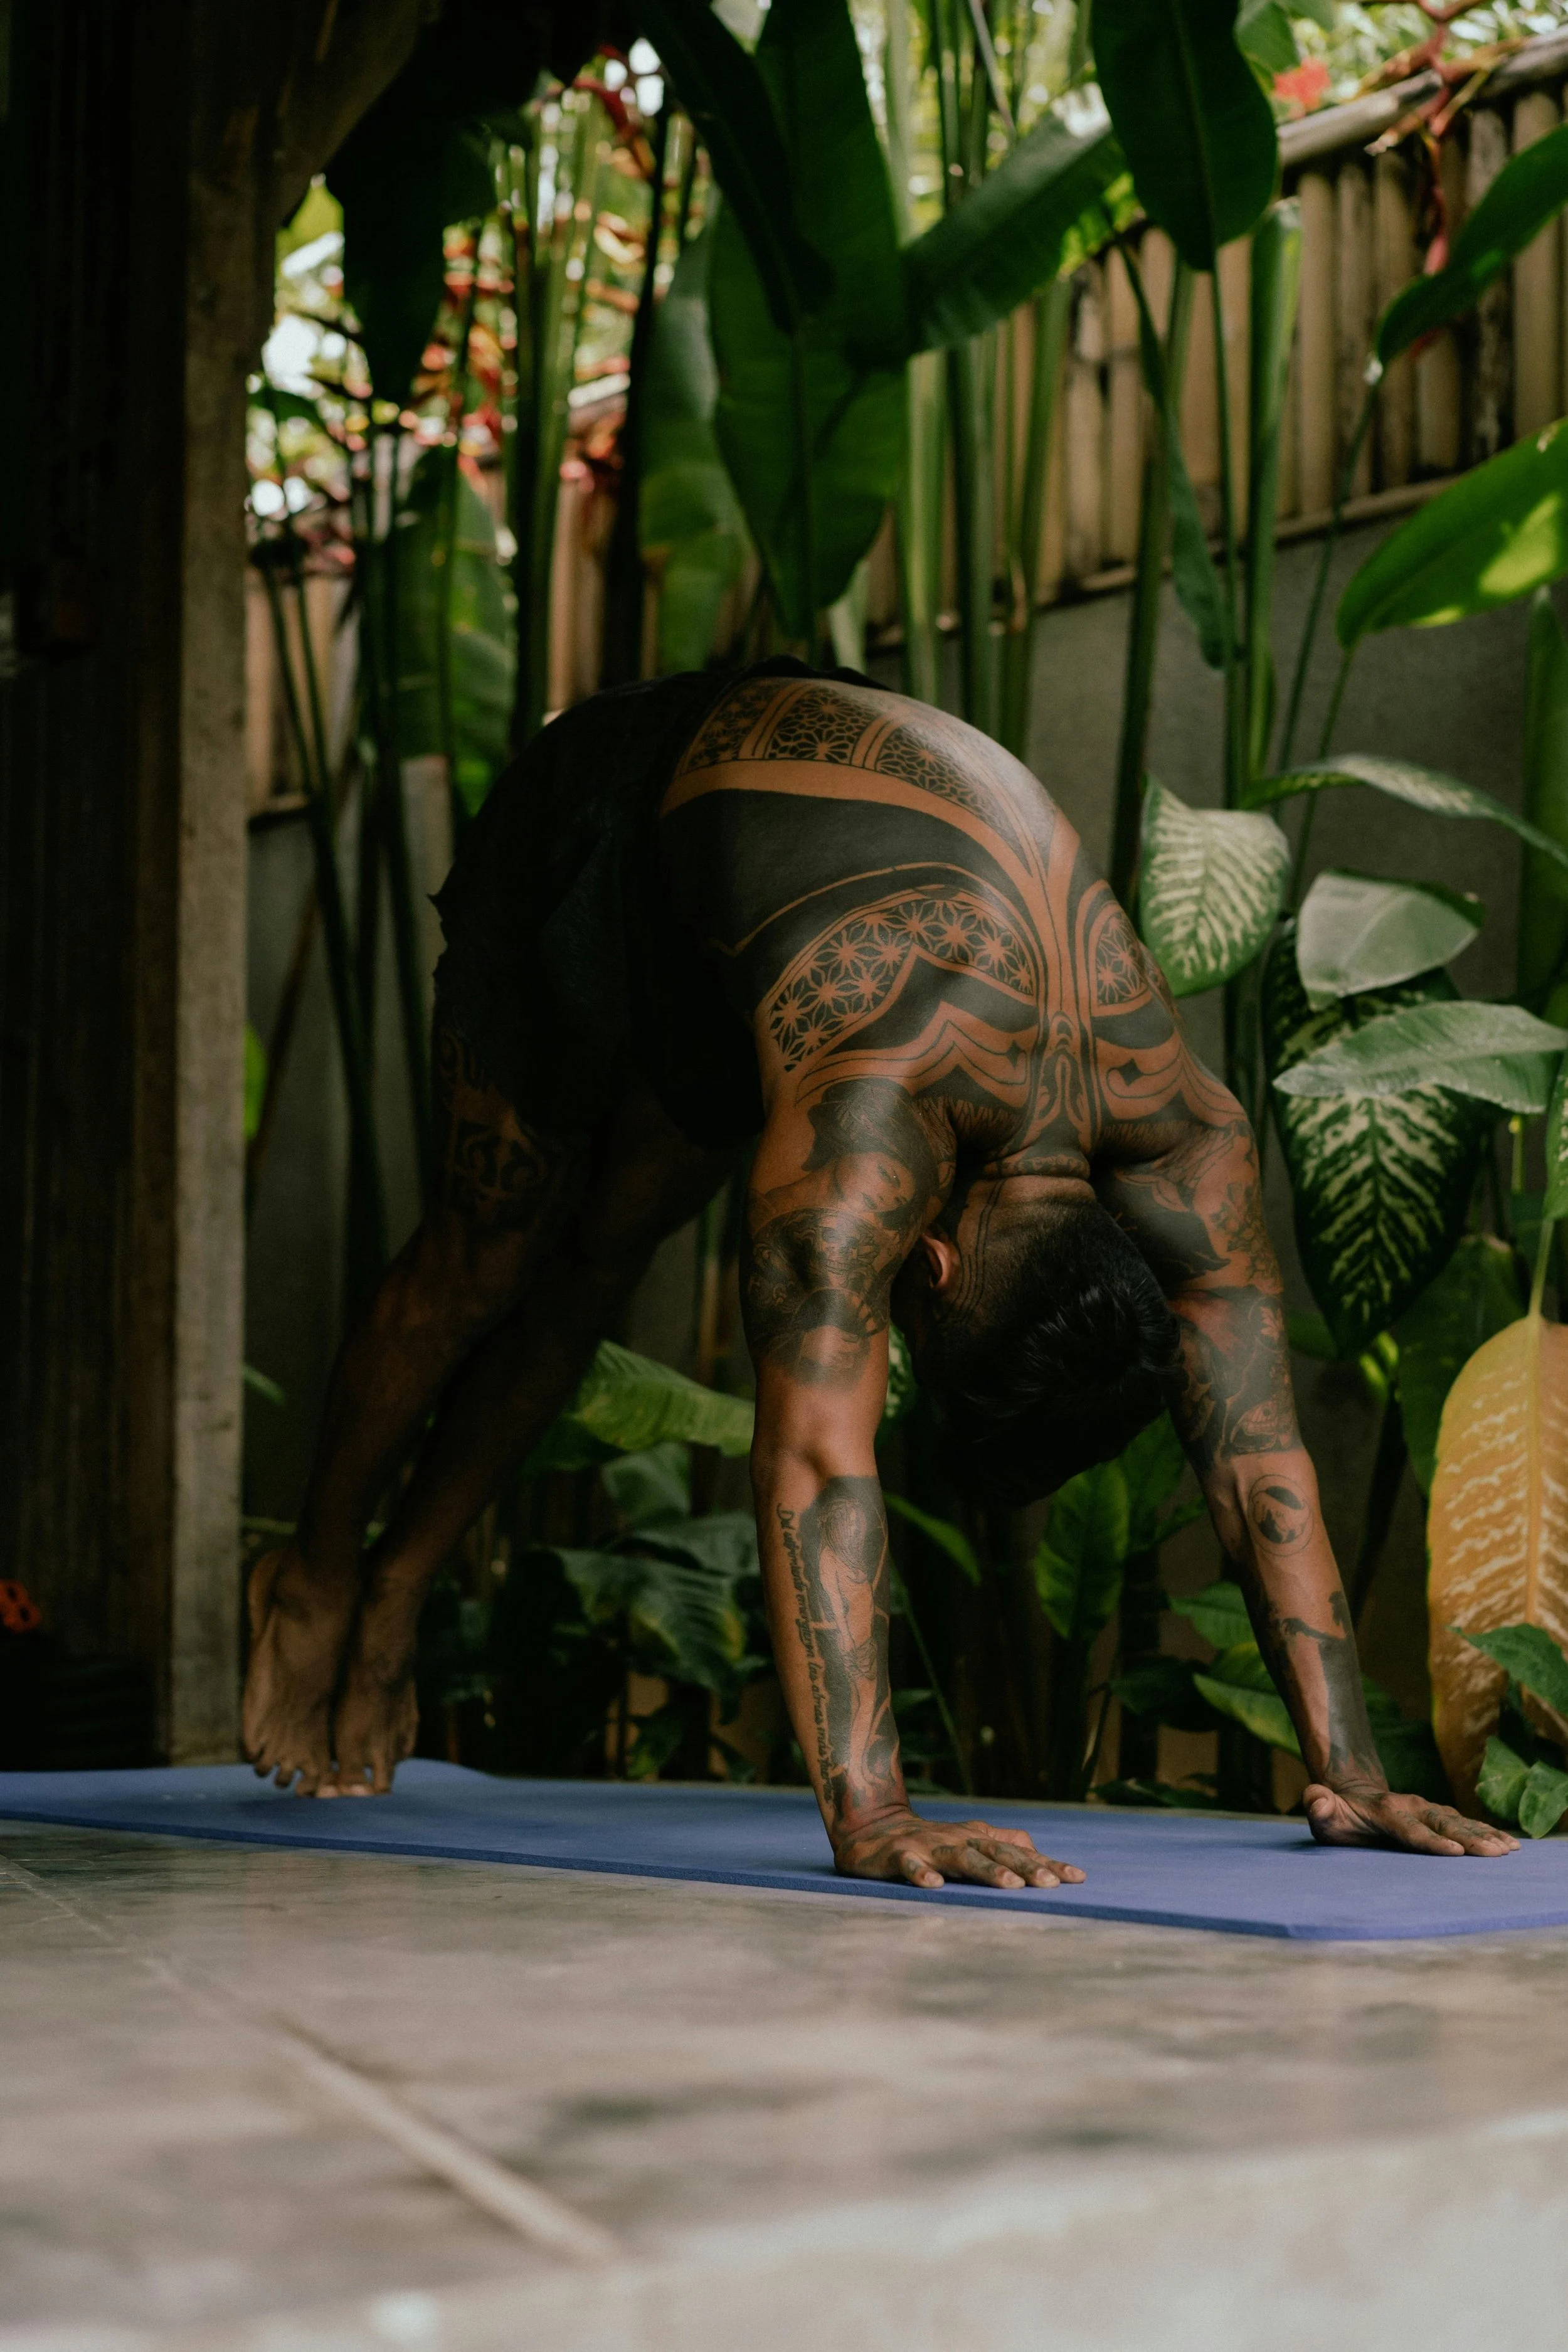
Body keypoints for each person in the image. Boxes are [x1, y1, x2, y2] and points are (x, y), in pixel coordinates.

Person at [243, 660, 1516, 1885]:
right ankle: (312, 1574)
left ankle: (400, 1583)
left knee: (594, 1268)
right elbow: (810, 1459)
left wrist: (1350, 1770)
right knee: (489, 1252)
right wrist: (873, 1812)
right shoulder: (868, 1125)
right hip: (613, 813)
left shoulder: (1186, 1130)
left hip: (762, 922)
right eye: (911, 1310)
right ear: (936, 1252)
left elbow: (1257, 1460)